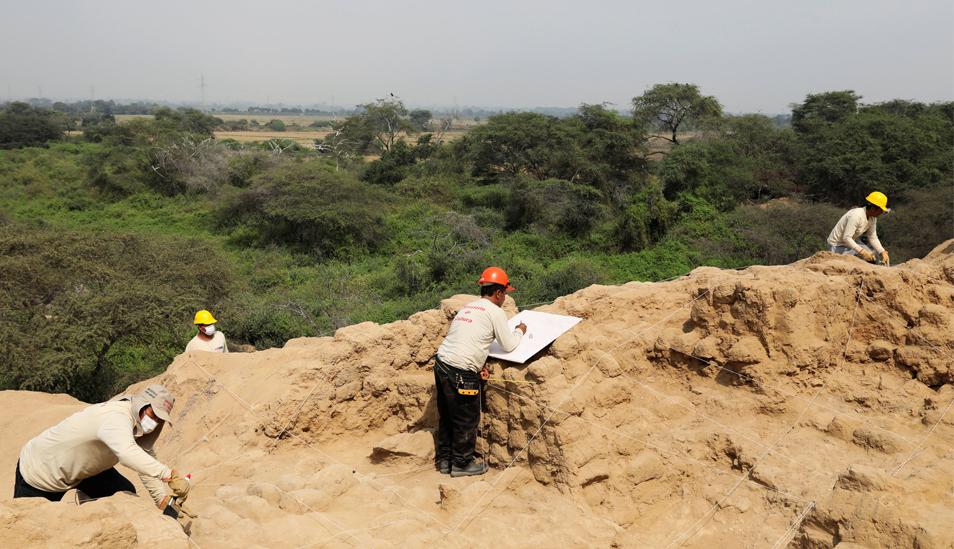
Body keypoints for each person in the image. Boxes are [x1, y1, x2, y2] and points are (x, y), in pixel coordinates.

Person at [14, 384, 195, 520]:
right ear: (143, 404)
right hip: (41, 472)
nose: (154, 421)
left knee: (123, 494)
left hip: (85, 470)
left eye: (159, 419)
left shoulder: (136, 421)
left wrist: (162, 500)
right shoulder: (116, 416)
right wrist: (170, 475)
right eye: (153, 414)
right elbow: (127, 453)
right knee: (31, 527)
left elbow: (144, 456)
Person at [433, 267, 527, 477]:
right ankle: (462, 464)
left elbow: (469, 338)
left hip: (441, 365)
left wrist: (479, 363)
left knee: (447, 416)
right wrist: (520, 331)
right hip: (460, 371)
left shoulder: (469, 307)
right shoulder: (495, 311)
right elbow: (509, 345)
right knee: (467, 418)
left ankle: (445, 461)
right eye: (505, 293)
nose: (505, 298)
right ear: (499, 293)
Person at [827, 191, 891, 266]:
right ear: (873, 208)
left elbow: (872, 237)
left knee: (873, 258)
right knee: (862, 262)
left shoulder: (873, 218)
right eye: (881, 210)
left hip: (849, 243)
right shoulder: (856, 216)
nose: (881, 212)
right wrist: (862, 252)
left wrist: (882, 252)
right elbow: (846, 238)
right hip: (837, 245)